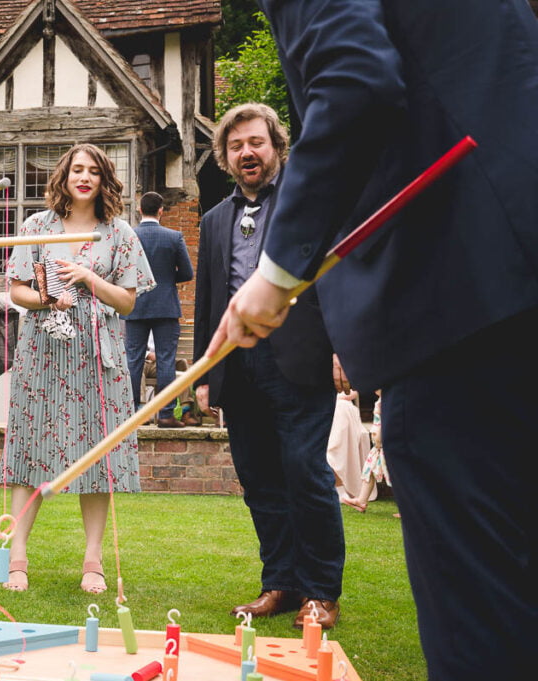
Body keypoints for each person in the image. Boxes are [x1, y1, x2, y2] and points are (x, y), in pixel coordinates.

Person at [210, 2, 538, 676]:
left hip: (460, 301)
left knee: (484, 612)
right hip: (508, 274)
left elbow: (356, 81)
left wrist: (276, 274)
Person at [192, 103, 345, 629]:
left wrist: (341, 347)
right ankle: (280, 583)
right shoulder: (213, 220)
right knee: (259, 480)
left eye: (255, 142)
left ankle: (322, 592)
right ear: (225, 157)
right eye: (235, 146)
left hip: (299, 361)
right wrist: (206, 373)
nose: (246, 152)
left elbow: (335, 278)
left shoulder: (306, 204)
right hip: (238, 369)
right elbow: (209, 302)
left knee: (305, 472)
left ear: (276, 146)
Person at [0, 144, 154, 593]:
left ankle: (93, 561)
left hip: (97, 357)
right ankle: (19, 556)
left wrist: (88, 279)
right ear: (64, 176)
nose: (84, 178)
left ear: (104, 180)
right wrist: (47, 298)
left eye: (93, 172)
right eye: (76, 170)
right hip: (44, 351)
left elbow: (127, 300)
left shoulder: (119, 233)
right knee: (30, 449)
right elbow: (17, 291)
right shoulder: (36, 227)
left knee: (96, 455)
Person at [124, 192, 194, 428]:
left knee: (133, 360)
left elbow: (121, 271)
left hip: (135, 304)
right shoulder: (174, 237)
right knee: (166, 361)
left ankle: (133, 414)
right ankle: (165, 414)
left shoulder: (129, 235)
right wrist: (164, 279)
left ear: (139, 211)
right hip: (165, 305)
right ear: (161, 211)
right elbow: (187, 273)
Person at [341, 391, 388, 513]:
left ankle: (407, 508)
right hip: (378, 447)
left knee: (396, 476)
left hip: (386, 445)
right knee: (369, 471)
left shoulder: (388, 401)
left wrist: (379, 439)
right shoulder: (380, 401)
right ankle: (361, 501)